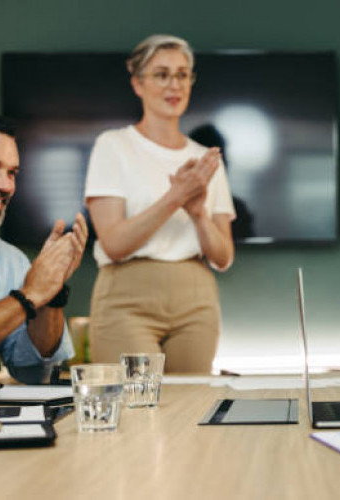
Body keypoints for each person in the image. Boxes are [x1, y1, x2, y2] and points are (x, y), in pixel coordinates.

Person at [84, 35, 236, 373]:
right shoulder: (114, 145)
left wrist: (197, 214)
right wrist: (175, 198)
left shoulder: (205, 159)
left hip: (196, 298)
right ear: (138, 83)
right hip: (127, 296)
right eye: (162, 74)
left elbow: (223, 257)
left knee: (191, 413)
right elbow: (114, 243)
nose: (174, 85)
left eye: (183, 75)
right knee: (136, 412)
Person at [0, 110, 87, 383]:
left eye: (12, 173)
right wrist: (27, 298)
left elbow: (35, 371)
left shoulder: (11, 263)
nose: (5, 186)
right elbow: (28, 296)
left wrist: (51, 291)